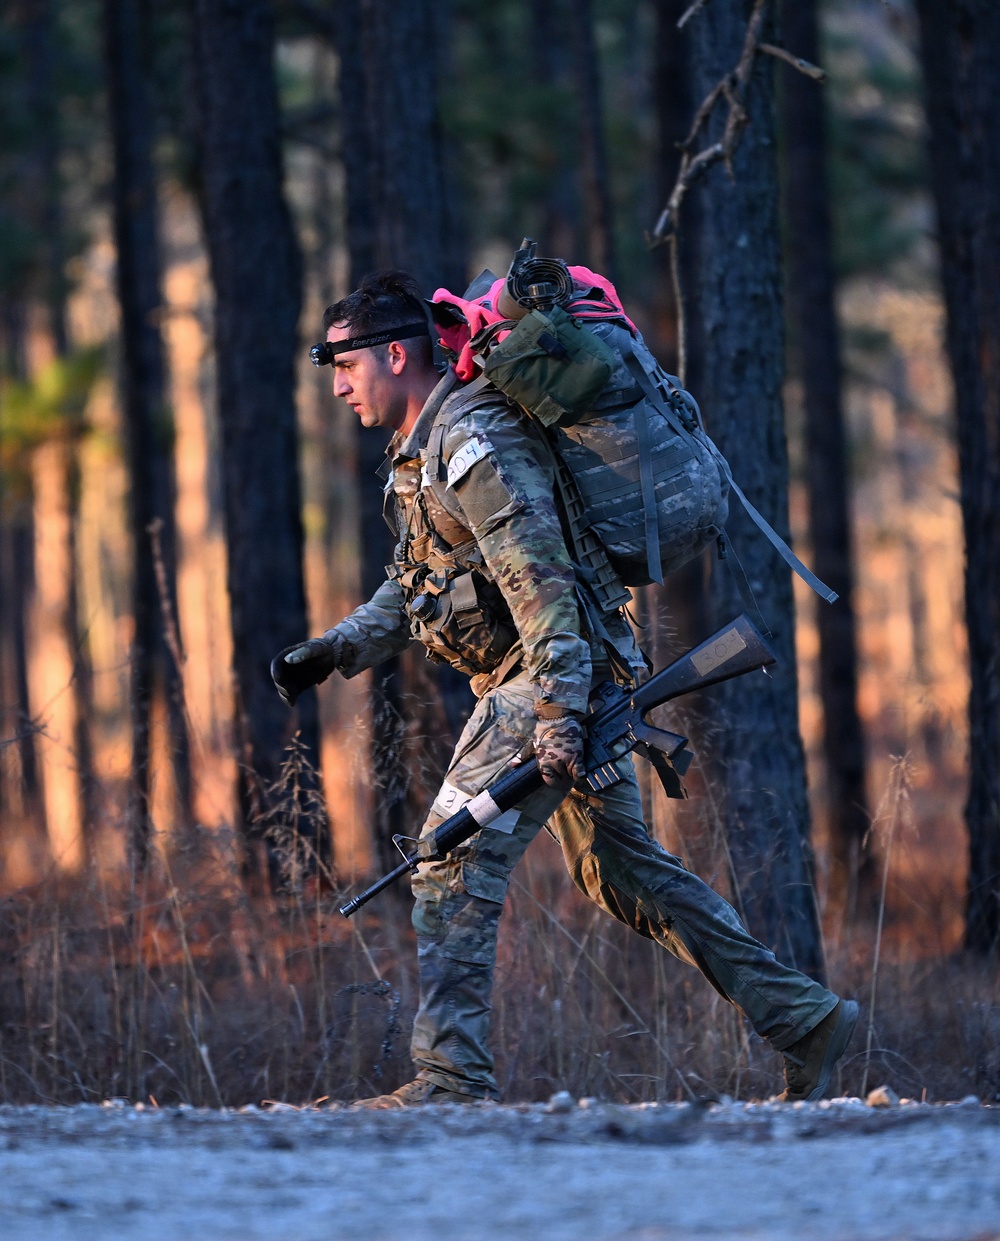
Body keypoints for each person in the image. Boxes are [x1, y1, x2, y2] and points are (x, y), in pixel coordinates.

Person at [271, 270, 858, 1108]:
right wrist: (334, 649)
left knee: (449, 856)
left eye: (342, 362)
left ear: (394, 354)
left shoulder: (473, 443)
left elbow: (542, 584)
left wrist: (556, 717)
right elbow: (420, 584)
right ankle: (804, 1019)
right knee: (625, 875)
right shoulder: (421, 450)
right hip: (566, 676)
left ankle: (448, 1081)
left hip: (553, 676)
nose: (336, 384)